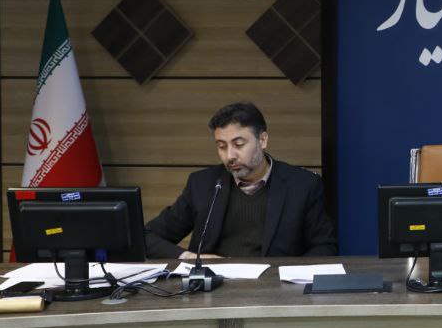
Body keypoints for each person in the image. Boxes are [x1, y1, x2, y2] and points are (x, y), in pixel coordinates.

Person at [144, 102, 336, 259]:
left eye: (239, 144)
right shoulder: (202, 184)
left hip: (273, 288)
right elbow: (146, 236)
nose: (230, 156)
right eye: (221, 146)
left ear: (262, 140)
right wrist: (189, 257)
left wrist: (285, 277)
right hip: (214, 288)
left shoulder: (302, 186)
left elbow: (324, 247)